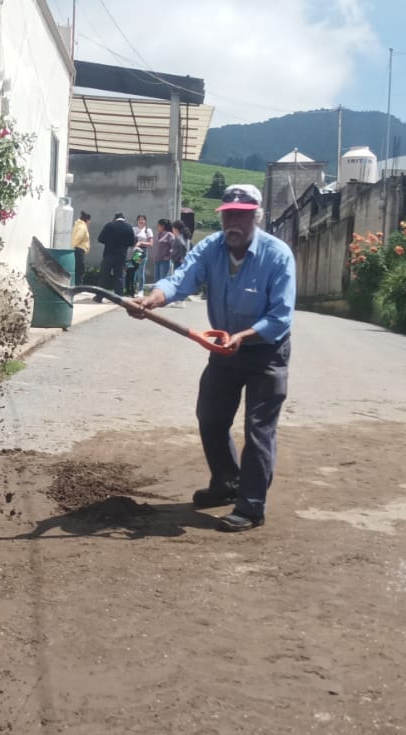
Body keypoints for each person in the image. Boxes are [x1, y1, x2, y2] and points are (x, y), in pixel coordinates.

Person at [133, 184, 295, 532]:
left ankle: (251, 506)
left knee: (258, 428)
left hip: (266, 350)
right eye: (228, 215)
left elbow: (281, 316)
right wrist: (153, 299)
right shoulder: (211, 248)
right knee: (210, 417)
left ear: (257, 216)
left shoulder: (277, 255)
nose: (233, 222)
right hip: (222, 346)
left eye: (242, 215)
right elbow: (182, 278)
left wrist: (245, 336)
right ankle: (226, 483)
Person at [97, 212, 136, 294]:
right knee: (119, 277)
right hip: (121, 256)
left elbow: (100, 239)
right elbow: (132, 243)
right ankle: (118, 296)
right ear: (124, 219)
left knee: (104, 276)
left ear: (114, 219)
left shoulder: (109, 225)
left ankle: (99, 296)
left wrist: (109, 241)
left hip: (108, 254)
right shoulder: (128, 227)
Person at [132, 215, 155, 294]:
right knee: (133, 270)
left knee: (140, 270)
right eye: (139, 219)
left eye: (143, 220)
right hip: (135, 250)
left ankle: (141, 290)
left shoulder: (147, 230)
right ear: (137, 221)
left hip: (142, 251)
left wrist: (141, 242)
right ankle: (133, 289)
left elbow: (151, 243)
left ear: (145, 221)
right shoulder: (134, 229)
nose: (141, 221)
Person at [153, 218, 178, 282]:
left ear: (162, 226)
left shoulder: (169, 235)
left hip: (164, 262)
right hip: (157, 261)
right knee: (157, 280)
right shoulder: (159, 234)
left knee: (163, 280)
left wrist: (169, 257)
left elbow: (175, 247)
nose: (157, 227)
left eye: (158, 225)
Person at [70, 211, 91, 286]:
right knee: (80, 269)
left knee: (78, 268)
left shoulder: (78, 225)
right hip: (79, 249)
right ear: (87, 220)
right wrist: (73, 247)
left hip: (76, 249)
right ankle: (79, 285)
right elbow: (78, 237)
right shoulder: (82, 227)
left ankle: (77, 284)